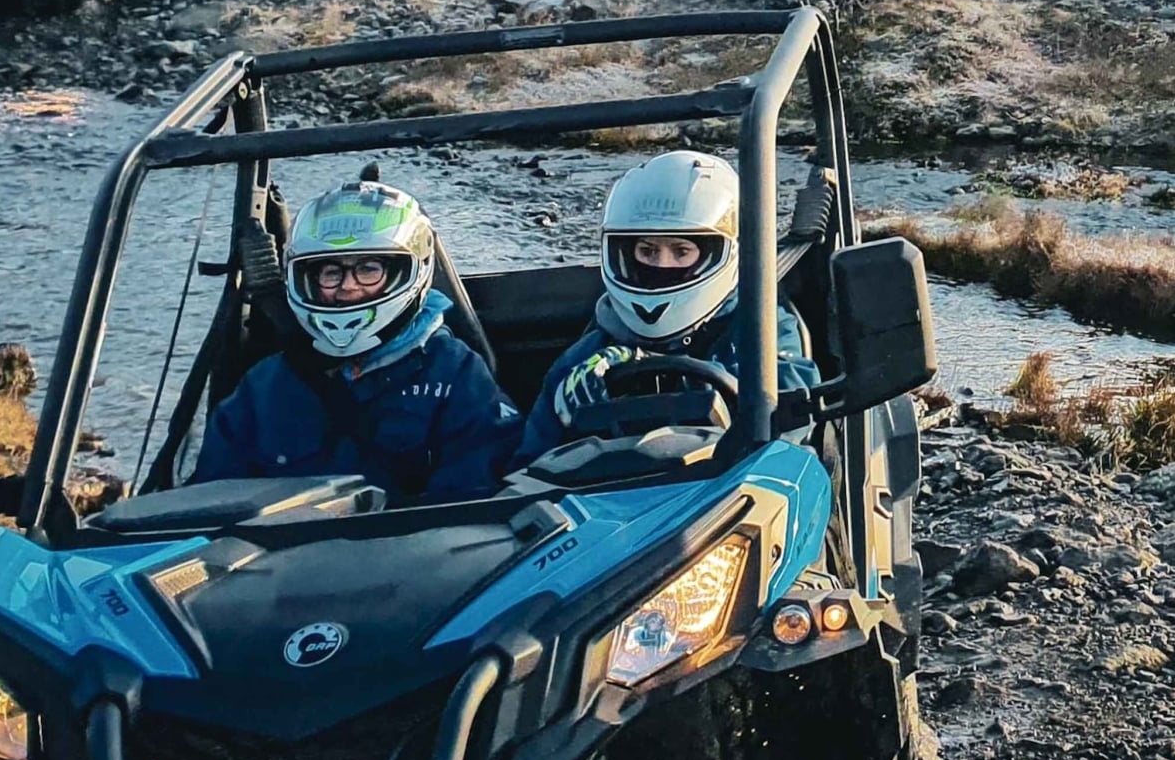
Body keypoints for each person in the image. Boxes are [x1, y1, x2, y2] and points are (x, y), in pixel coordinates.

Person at [192, 179, 522, 502]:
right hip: (287, 538)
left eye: (368, 269)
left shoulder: (455, 374)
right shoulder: (264, 388)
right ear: (308, 280)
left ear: (404, 273)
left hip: (417, 537)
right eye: (331, 273)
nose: (348, 286)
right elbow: (212, 500)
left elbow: (475, 500)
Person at [515, 150, 820, 465]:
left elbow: (789, 432)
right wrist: (567, 414)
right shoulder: (586, 358)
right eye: (648, 251)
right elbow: (526, 469)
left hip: (729, 486)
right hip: (622, 493)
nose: (662, 265)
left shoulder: (763, 332)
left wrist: (690, 381)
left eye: (681, 252)